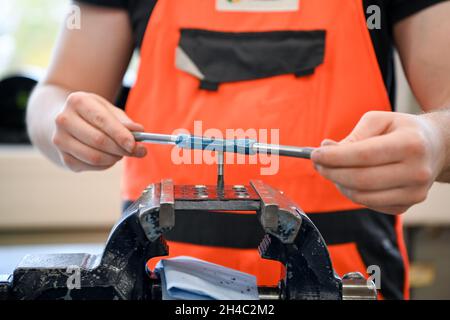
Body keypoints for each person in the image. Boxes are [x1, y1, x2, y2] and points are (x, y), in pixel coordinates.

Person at [26, 0, 450, 299]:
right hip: (151, 281)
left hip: (344, 280)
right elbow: (55, 94)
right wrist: (61, 120)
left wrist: (436, 139)